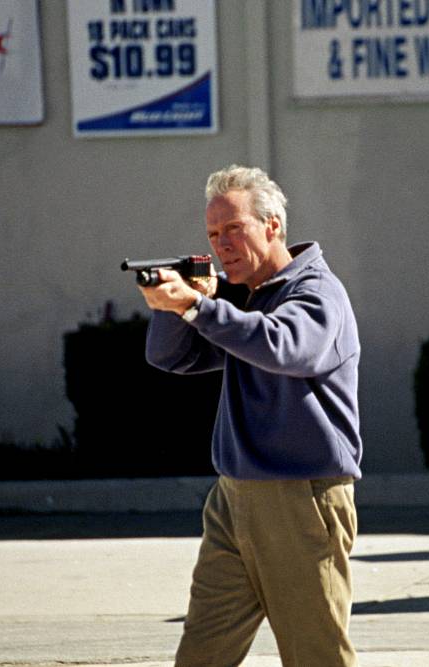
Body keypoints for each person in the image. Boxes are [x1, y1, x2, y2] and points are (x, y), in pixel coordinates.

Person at [137, 165, 363, 665]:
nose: (222, 245)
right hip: (235, 495)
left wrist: (198, 307)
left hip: (301, 498)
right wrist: (172, 305)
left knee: (315, 654)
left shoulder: (316, 292)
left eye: (234, 229)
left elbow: (284, 347)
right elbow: (172, 357)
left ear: (273, 225)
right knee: (203, 651)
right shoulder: (247, 301)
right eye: (214, 235)